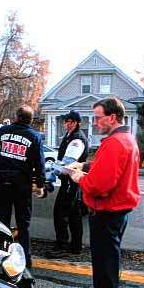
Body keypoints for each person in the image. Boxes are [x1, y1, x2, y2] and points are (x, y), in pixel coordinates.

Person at [69, 97, 140, 288]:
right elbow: (107, 169)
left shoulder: (114, 143)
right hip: (117, 214)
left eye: (98, 117)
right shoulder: (127, 140)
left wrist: (79, 178)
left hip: (106, 215)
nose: (95, 122)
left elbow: (100, 185)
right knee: (107, 270)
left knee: (105, 273)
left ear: (112, 117)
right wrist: (86, 165)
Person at [0, 105, 46, 268]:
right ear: (30, 120)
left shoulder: (5, 131)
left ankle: (1, 257)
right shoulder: (34, 137)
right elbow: (39, 163)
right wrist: (40, 184)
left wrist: (2, 125)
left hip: (4, 182)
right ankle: (26, 261)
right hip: (22, 184)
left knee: (2, 221)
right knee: (24, 224)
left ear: (16, 117)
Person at [47, 110, 89, 257]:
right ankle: (75, 246)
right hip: (75, 182)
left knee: (60, 213)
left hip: (71, 182)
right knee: (74, 215)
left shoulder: (77, 140)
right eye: (65, 121)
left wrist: (52, 170)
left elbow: (69, 163)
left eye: (69, 121)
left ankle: (61, 246)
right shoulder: (70, 137)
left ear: (75, 123)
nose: (66, 123)